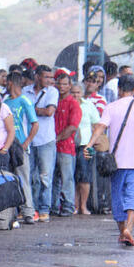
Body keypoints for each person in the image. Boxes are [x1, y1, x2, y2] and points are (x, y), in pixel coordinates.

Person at [88, 75, 134, 246]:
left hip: (117, 163)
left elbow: (100, 127)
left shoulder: (111, 107)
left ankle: (122, 231)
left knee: (118, 197)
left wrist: (90, 145)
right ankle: (128, 228)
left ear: (119, 89)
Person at [22, 64, 59, 222]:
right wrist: (37, 110)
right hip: (28, 139)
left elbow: (49, 112)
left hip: (45, 139)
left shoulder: (52, 91)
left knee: (45, 176)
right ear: (37, 76)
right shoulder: (25, 91)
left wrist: (29, 110)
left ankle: (44, 208)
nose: (50, 80)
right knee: (29, 176)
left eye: (51, 77)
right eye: (46, 77)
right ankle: (31, 207)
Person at [3, 71, 39, 223]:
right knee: (9, 178)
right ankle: (12, 211)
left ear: (10, 83)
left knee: (23, 177)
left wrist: (26, 142)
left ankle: (28, 211)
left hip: (20, 145)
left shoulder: (25, 100)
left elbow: (35, 124)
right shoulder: (5, 101)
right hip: (7, 144)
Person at [51, 70, 81, 217]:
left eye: (64, 84)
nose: (61, 86)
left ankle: (69, 206)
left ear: (70, 86)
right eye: (59, 83)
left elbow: (73, 127)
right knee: (53, 178)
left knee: (67, 178)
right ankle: (54, 206)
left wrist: (57, 138)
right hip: (52, 147)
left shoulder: (73, 104)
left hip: (66, 147)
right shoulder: (54, 100)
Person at [74, 80, 100, 215]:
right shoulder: (65, 104)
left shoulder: (89, 106)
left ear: (82, 93)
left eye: (78, 92)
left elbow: (97, 125)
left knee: (84, 176)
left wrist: (93, 142)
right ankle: (74, 205)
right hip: (69, 144)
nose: (75, 95)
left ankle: (83, 206)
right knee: (72, 176)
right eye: (73, 92)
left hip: (86, 144)